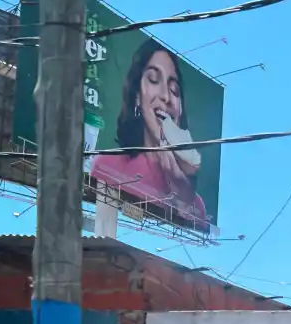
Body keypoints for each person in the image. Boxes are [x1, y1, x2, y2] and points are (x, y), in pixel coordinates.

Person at [90, 39, 209, 227]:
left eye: (174, 90)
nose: (166, 96)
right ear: (137, 95)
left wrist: (182, 197)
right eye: (154, 80)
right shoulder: (107, 166)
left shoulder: (195, 203)